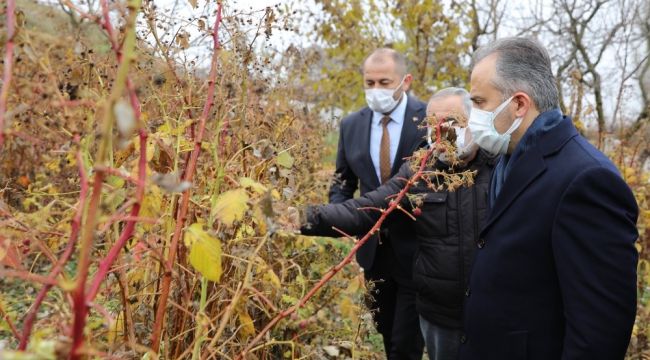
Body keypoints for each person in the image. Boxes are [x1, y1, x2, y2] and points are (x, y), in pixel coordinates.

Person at [460, 37, 639, 359]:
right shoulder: (510, 159)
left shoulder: (586, 180)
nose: (471, 115)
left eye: (479, 102)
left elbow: (599, 331)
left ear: (518, 104)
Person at [298, 88, 495, 359]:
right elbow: (364, 210)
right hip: (439, 315)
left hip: (492, 311)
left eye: (451, 123)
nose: (441, 135)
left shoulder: (500, 165)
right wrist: (303, 217)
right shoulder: (417, 173)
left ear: (474, 122)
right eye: (432, 126)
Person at [328, 48, 426, 358]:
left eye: (384, 82)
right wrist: (340, 219)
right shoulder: (351, 125)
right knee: (385, 329)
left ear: (405, 81)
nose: (376, 90)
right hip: (373, 253)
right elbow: (343, 182)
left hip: (418, 248)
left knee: (406, 342)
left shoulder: (427, 119)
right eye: (369, 82)